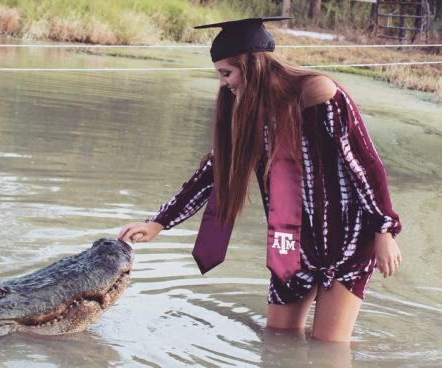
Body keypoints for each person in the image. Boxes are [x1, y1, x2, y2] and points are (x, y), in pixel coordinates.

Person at [118, 17, 402, 343]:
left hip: (347, 242)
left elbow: (365, 166)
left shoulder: (320, 96)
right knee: (277, 341)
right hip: (292, 243)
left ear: (250, 65)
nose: (224, 83)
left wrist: (384, 230)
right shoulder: (248, 114)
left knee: (328, 349)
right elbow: (214, 171)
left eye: (227, 73)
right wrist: (159, 222)